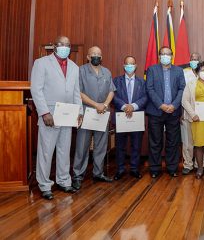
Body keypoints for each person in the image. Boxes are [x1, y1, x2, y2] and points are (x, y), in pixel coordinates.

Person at [30, 36, 83, 200]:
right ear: (54, 46)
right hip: (50, 115)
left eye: (68, 45)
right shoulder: (41, 63)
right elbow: (36, 89)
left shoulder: (74, 67)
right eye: (62, 44)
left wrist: (79, 112)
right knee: (46, 151)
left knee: (64, 149)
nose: (65, 47)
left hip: (68, 114)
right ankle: (44, 185)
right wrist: (44, 112)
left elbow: (76, 92)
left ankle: (63, 180)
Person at [72, 46, 115, 190]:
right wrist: (96, 104)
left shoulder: (106, 72)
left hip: (102, 113)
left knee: (101, 145)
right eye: (93, 54)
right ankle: (78, 175)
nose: (96, 56)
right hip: (86, 113)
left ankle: (98, 173)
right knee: (82, 146)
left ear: (101, 57)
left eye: (99, 54)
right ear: (88, 57)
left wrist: (105, 104)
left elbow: (111, 91)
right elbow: (79, 92)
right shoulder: (81, 70)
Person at [145, 46, 186, 178]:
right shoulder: (152, 70)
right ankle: (155, 168)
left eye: (167, 54)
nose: (165, 56)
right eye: (162, 54)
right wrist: (161, 105)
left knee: (172, 141)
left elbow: (182, 89)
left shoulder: (179, 71)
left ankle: (172, 168)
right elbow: (149, 89)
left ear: (172, 56)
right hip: (156, 111)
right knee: (155, 141)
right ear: (159, 56)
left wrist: (174, 105)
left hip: (173, 112)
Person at [112, 56, 148, 180]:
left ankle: (134, 168)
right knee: (120, 146)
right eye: (127, 64)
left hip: (136, 116)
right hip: (121, 116)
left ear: (136, 66)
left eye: (132, 64)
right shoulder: (116, 81)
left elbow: (145, 97)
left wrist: (133, 106)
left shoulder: (142, 82)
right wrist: (124, 106)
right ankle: (120, 169)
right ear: (123, 66)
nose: (129, 66)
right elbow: (113, 96)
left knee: (136, 145)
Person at [181, 52, 201, 175]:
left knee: (200, 141)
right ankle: (188, 164)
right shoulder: (183, 73)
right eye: (192, 59)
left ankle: (200, 164)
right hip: (187, 111)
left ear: (200, 60)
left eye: (196, 59)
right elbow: (182, 95)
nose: (194, 61)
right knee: (187, 141)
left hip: (201, 114)